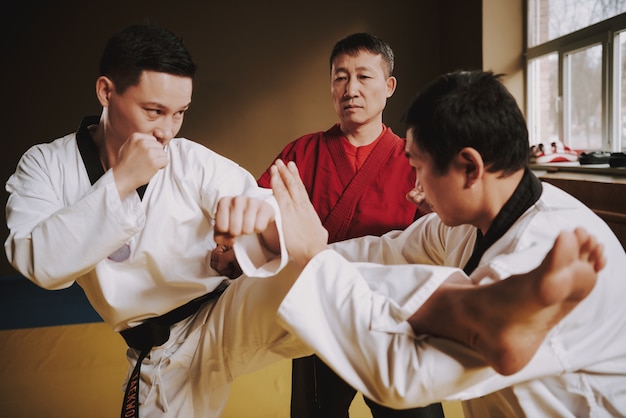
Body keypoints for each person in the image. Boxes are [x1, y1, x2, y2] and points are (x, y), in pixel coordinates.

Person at [215, 70, 626, 417]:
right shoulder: (472, 220)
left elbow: (405, 374)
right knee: (401, 276)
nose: (414, 188)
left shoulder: (546, 256)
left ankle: (472, 306)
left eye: (417, 167)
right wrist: (280, 247)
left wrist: (313, 258)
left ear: (469, 168)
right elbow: (383, 252)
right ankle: (469, 305)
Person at [3, 23, 316, 418]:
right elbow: (40, 264)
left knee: (329, 272)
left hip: (228, 313)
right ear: (106, 92)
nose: (167, 131)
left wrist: (266, 229)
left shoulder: (188, 159)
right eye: (154, 111)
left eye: (179, 113)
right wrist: (120, 182)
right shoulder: (45, 166)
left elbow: (254, 203)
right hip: (160, 351)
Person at [257, 32, 440, 418]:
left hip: (394, 318)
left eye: (363, 77)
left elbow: (439, 238)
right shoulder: (300, 153)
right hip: (321, 311)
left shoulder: (417, 159)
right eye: (340, 77)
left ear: (389, 86)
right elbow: (260, 211)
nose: (350, 89)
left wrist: (434, 206)